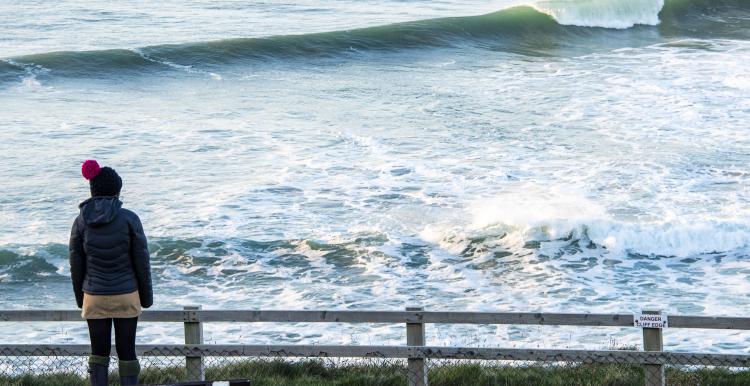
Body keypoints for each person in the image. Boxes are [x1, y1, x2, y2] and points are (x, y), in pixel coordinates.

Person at [69, 160, 153, 386]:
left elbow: (76, 265)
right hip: (126, 293)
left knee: (98, 354)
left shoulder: (80, 221)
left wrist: (82, 300)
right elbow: (142, 263)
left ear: (92, 190)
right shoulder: (129, 218)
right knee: (127, 353)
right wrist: (146, 299)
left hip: (93, 296)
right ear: (117, 191)